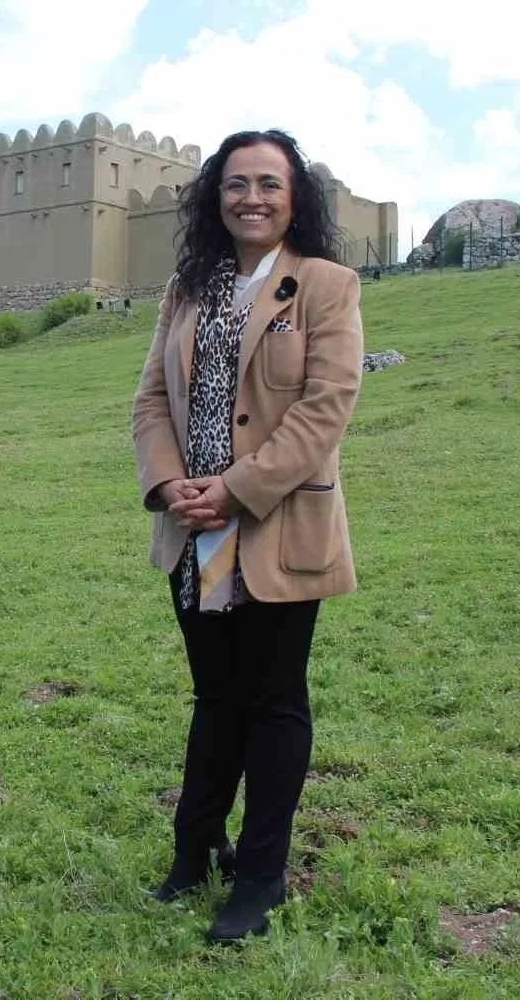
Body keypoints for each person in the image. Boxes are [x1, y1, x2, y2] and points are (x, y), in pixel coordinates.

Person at [131, 129, 364, 944]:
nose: (251, 198)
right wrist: (170, 486)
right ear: (215, 197)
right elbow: (150, 401)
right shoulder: (187, 289)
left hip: (275, 525)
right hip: (192, 530)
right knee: (214, 695)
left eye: (269, 183)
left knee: (270, 701)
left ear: (295, 197)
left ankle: (260, 877)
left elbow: (324, 409)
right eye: (235, 183)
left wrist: (234, 490)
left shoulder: (325, 286)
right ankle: (194, 853)